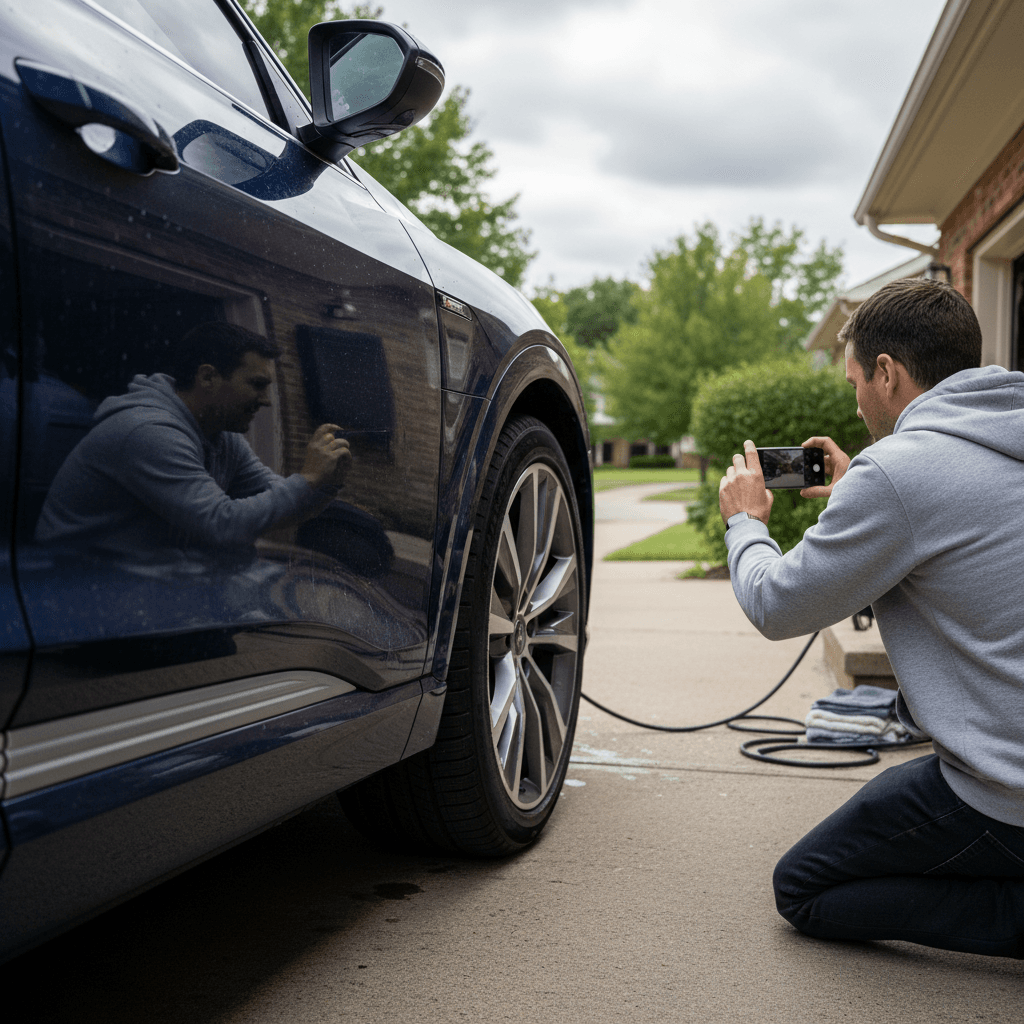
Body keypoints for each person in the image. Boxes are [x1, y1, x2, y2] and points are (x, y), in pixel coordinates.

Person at [718, 279, 1024, 959]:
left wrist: (744, 523)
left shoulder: (900, 475)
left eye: (856, 378)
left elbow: (775, 604)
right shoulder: (999, 437)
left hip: (1006, 791)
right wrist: (862, 485)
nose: (856, 399)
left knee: (805, 887)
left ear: (887, 373)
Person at [37, 322, 351, 569]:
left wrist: (325, 485)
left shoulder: (222, 438)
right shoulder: (148, 432)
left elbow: (277, 505)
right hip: (78, 594)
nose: (266, 401)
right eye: (257, 385)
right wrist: (307, 479)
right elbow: (223, 523)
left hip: (143, 587)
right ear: (208, 377)